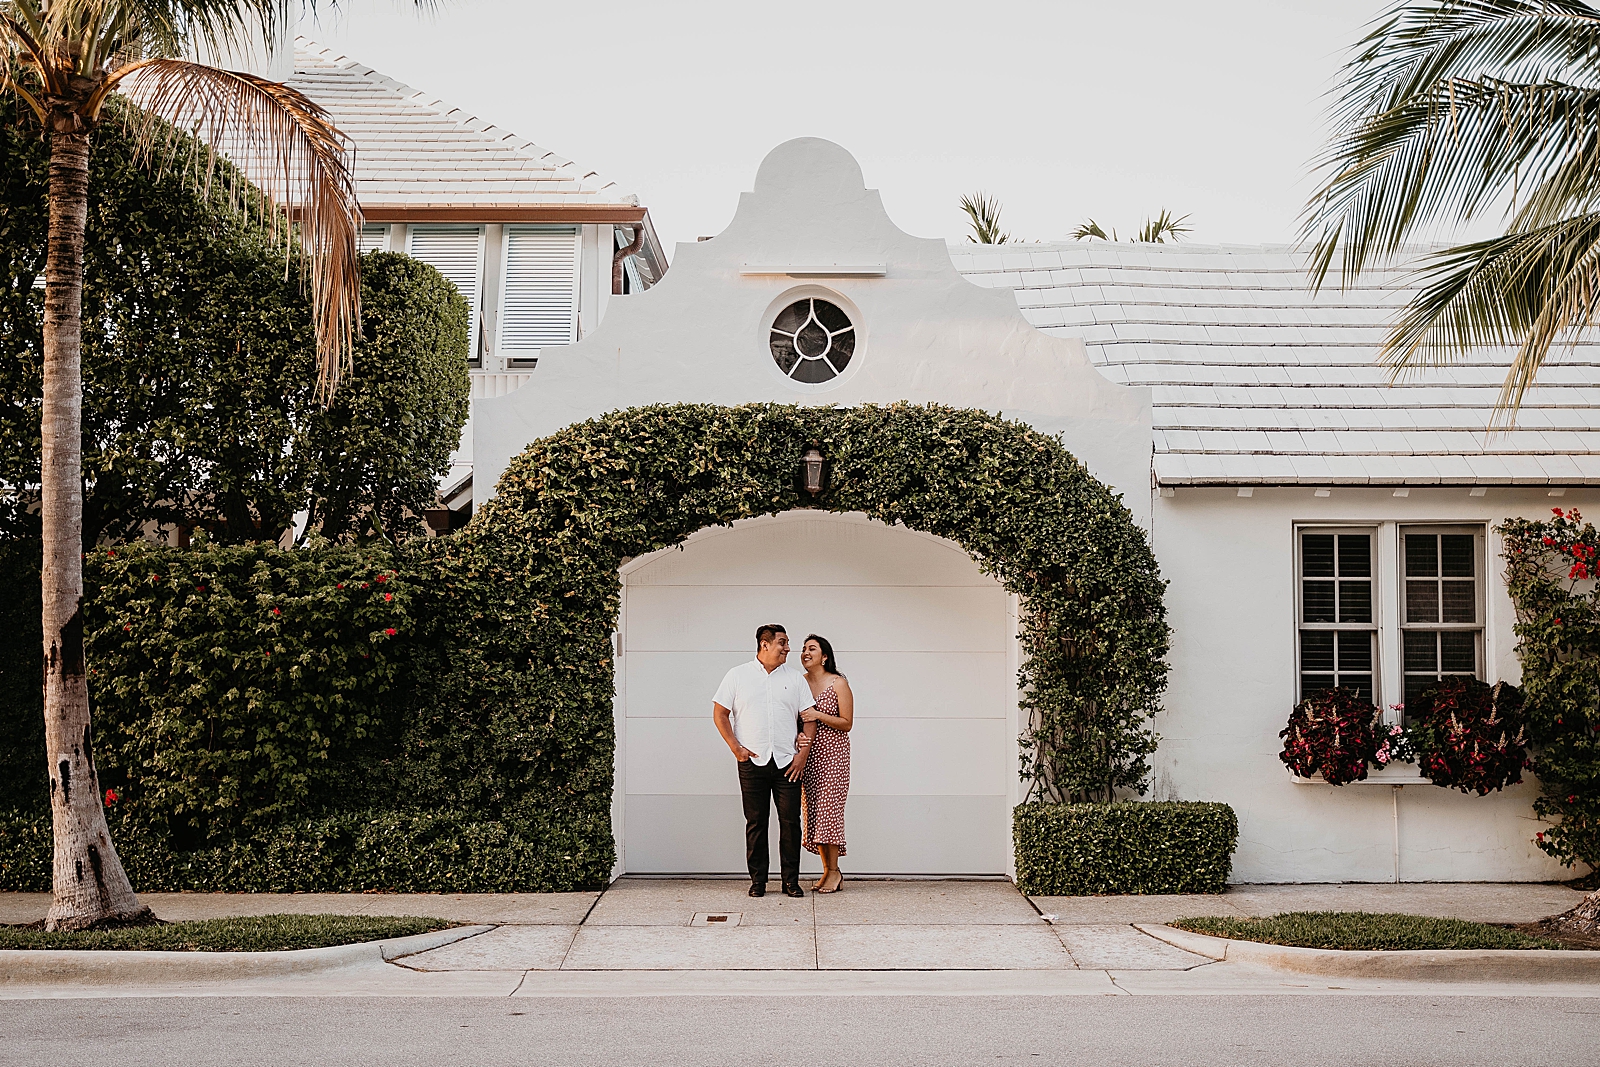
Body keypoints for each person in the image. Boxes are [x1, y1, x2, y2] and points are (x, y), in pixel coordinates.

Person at [712, 624, 818, 898]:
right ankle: (758, 881)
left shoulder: (795, 679)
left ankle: (790, 882)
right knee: (756, 822)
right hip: (752, 762)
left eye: (787, 642)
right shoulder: (737, 675)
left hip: (787, 764)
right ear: (765, 644)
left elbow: (809, 718)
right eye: (782, 642)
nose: (788, 648)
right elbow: (720, 713)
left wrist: (801, 758)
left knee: (791, 823)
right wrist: (736, 748)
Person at [798, 634, 853, 893]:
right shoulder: (800, 683)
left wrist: (818, 714)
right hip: (809, 758)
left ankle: (834, 872)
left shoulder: (838, 683)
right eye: (804, 649)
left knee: (829, 813)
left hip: (833, 757)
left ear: (825, 656)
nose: (806, 652)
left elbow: (847, 723)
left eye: (812, 648)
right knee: (816, 815)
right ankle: (828, 871)